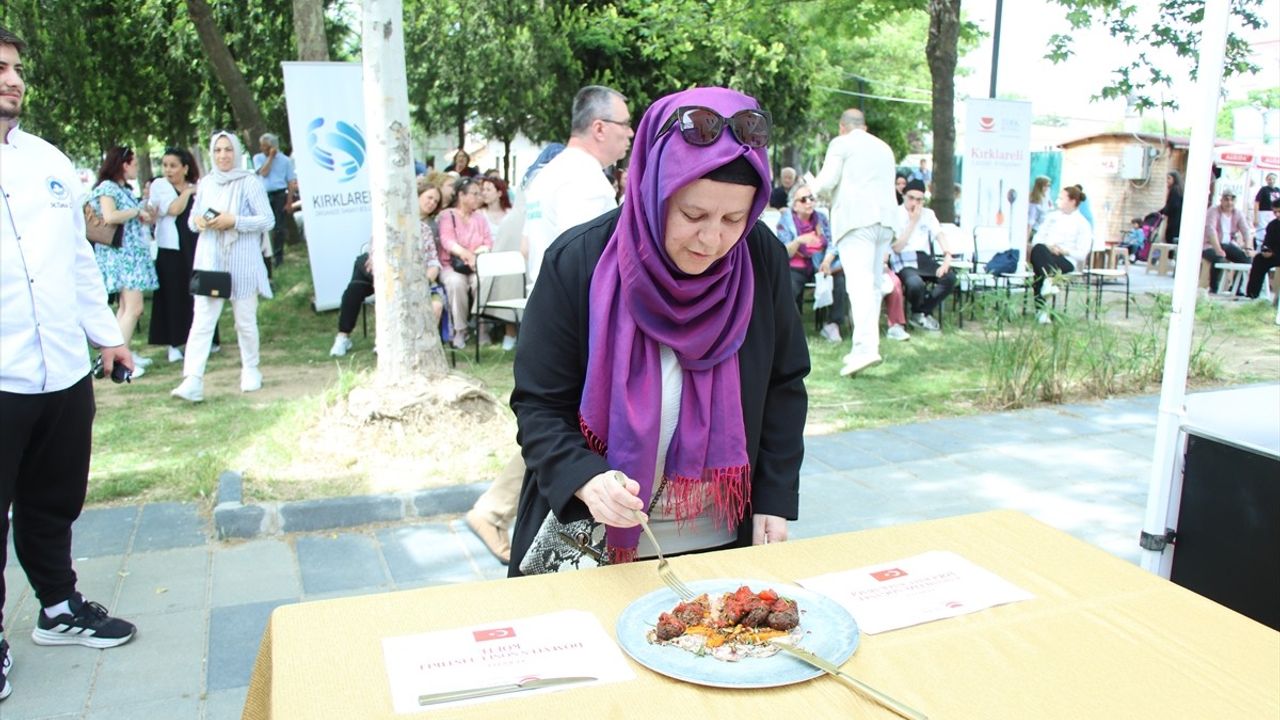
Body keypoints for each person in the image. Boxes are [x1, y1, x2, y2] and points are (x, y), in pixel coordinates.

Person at [508, 86, 809, 576]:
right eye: (693, 215)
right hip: (594, 543)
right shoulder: (578, 262)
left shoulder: (760, 260)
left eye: (735, 218)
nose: (712, 240)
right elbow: (539, 404)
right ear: (654, 189)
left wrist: (775, 498)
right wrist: (585, 478)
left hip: (717, 543)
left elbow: (784, 386)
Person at [0, 27, 138, 703]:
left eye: (16, 68)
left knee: (54, 500)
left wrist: (107, 337)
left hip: (62, 368)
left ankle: (58, 608)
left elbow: (82, 260)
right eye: (0, 68)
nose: (12, 79)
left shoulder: (51, 161)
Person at [467, 87, 632, 564]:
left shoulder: (547, 173)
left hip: (543, 312)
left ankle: (493, 509)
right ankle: (496, 510)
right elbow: (599, 262)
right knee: (563, 427)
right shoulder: (587, 184)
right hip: (577, 323)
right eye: (624, 125)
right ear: (599, 127)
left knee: (549, 423)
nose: (628, 135)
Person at [171, 131, 275, 402]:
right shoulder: (206, 183)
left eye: (228, 150)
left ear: (236, 152)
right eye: (218, 150)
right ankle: (192, 379)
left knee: (245, 322)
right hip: (211, 261)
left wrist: (234, 221)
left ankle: (251, 369)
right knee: (202, 322)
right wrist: (202, 222)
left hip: (243, 262)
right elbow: (193, 219)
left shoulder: (249, 181)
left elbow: (268, 219)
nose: (223, 155)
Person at [811, 108, 898, 377]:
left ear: (842, 127)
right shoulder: (884, 148)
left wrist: (813, 188)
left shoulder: (842, 143)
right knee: (871, 286)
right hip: (886, 221)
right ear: (865, 126)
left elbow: (827, 181)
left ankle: (864, 349)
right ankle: (868, 344)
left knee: (859, 285)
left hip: (856, 220)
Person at [330, 187, 445, 357]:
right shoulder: (389, 221)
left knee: (386, 289)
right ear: (416, 197)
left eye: (435, 202)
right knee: (355, 287)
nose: (432, 203)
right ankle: (342, 336)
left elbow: (433, 262)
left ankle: (385, 339)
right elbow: (374, 252)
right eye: (429, 198)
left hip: (410, 277)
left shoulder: (425, 230)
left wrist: (426, 280)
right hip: (381, 272)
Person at [88, 146, 160, 377]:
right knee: (134, 308)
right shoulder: (107, 188)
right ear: (123, 164)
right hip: (123, 257)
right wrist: (135, 211)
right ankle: (118, 360)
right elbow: (110, 216)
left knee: (125, 308)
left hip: (129, 255)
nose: (136, 168)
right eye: (134, 163)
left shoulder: (121, 188)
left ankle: (118, 354)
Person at [149, 147, 219, 363]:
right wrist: (188, 192)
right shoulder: (160, 185)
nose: (168, 170)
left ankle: (207, 339)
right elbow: (173, 209)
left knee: (201, 291)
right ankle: (174, 343)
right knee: (173, 293)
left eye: (173, 165)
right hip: (171, 249)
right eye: (165, 165)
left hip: (196, 244)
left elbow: (212, 210)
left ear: (185, 168)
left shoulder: (201, 187)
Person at [776, 183, 846, 342]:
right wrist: (799, 240)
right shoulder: (785, 220)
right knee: (789, 286)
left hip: (820, 264)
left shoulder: (820, 218)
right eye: (803, 199)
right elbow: (782, 252)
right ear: (794, 204)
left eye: (811, 198)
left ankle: (833, 325)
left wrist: (827, 261)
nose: (809, 202)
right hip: (796, 266)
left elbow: (832, 243)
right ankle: (793, 331)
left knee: (839, 280)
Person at [890, 179, 955, 331]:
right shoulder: (895, 214)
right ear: (904, 196)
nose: (915, 203)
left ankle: (920, 312)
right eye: (911, 198)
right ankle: (920, 314)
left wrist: (947, 256)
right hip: (904, 259)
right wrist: (913, 222)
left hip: (923, 258)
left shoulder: (928, 214)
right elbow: (897, 247)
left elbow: (939, 235)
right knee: (915, 284)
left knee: (949, 278)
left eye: (919, 200)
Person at [437, 177, 493, 350]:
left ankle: (481, 326)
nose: (479, 197)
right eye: (474, 194)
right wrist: (465, 254)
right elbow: (447, 241)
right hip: (452, 265)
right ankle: (460, 329)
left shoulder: (480, 218)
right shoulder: (448, 216)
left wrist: (475, 255)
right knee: (456, 283)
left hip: (476, 264)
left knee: (482, 281)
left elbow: (488, 242)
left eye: (479, 194)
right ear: (461, 195)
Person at [1029, 185, 1093, 323]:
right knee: (1039, 250)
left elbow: (1082, 253)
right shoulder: (1052, 217)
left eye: (1061, 198)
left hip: (1066, 260)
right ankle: (1049, 282)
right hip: (1046, 253)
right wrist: (1049, 246)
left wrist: (1065, 251)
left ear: (1072, 201)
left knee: (1041, 268)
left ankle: (1042, 309)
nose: (1058, 201)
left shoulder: (1082, 223)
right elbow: (1037, 239)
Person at [252, 132, 296, 269]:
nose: (262, 149)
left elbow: (290, 182)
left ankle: (278, 257)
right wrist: (270, 158)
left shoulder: (285, 160)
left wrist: (289, 202)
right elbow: (263, 173)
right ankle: (265, 257)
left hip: (280, 195)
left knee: (279, 228)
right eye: (262, 146)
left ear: (273, 147)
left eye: (266, 147)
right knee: (263, 228)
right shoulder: (258, 158)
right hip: (263, 195)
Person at [1202, 190, 1253, 293]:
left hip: (1228, 244)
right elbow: (1210, 230)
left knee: (1246, 259)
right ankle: (1214, 288)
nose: (1229, 203)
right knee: (1219, 258)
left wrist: (1247, 247)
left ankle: (1236, 288)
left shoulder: (1238, 213)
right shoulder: (1213, 211)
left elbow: (1246, 231)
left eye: (1232, 200)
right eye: (1226, 200)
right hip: (1210, 245)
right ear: (1221, 200)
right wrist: (1218, 249)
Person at [1245, 218, 1279, 299]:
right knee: (1259, 259)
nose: (1277, 214)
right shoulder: (1273, 225)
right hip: (1275, 254)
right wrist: (1266, 250)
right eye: (1275, 212)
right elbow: (1267, 242)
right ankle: (1252, 294)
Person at [1159, 170, 1184, 243]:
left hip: (1174, 222)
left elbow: (1172, 205)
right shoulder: (1179, 190)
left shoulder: (1174, 190)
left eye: (1169, 178)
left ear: (1174, 179)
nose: (1167, 181)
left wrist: (1163, 212)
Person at [1027, 175, 1053, 239]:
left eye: (1048, 186)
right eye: (1045, 186)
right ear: (1039, 186)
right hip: (1036, 231)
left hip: (1046, 231)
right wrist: (1027, 239)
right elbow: (1031, 220)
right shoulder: (1035, 200)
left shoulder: (1047, 196)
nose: (1047, 188)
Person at [1255, 173, 1279, 242]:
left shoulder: (1277, 190)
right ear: (1266, 180)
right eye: (1269, 179)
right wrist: (1256, 217)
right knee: (1262, 231)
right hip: (1263, 213)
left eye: (1273, 179)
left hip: (1275, 213)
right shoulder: (1263, 189)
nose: (1271, 181)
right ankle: (1260, 247)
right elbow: (1257, 202)